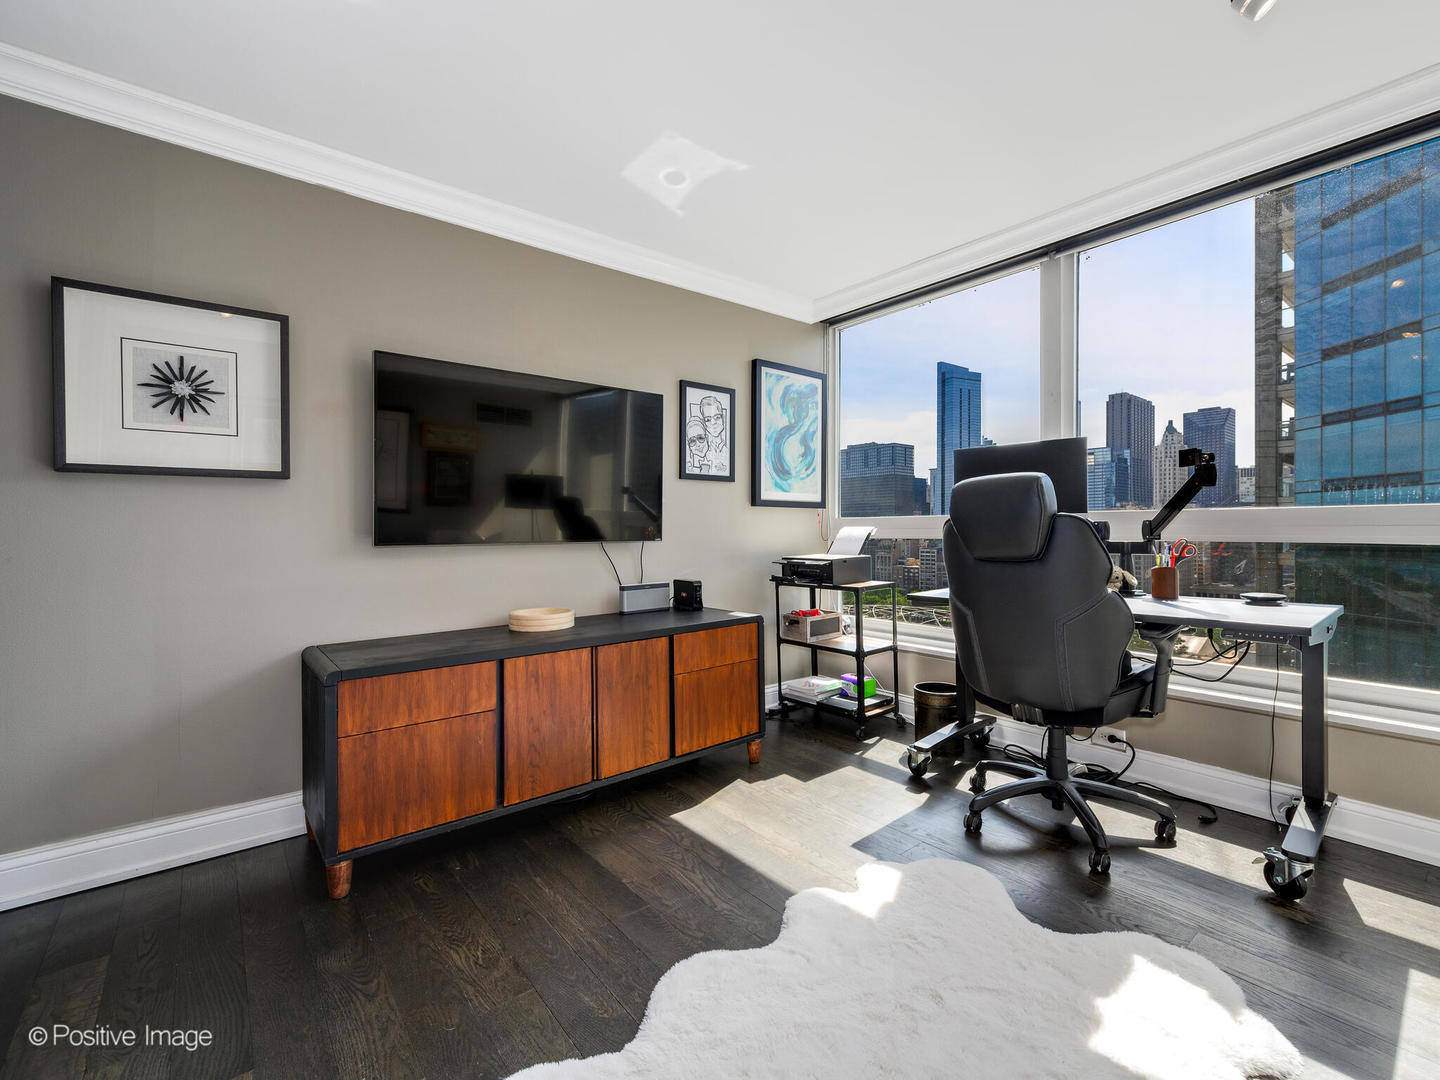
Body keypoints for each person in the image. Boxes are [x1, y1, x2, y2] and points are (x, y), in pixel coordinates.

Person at [697, 394, 728, 474]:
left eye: (717, 417)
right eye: (708, 419)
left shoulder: (729, 450)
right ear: (704, 423)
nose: (713, 422)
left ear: (723, 418)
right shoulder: (702, 451)